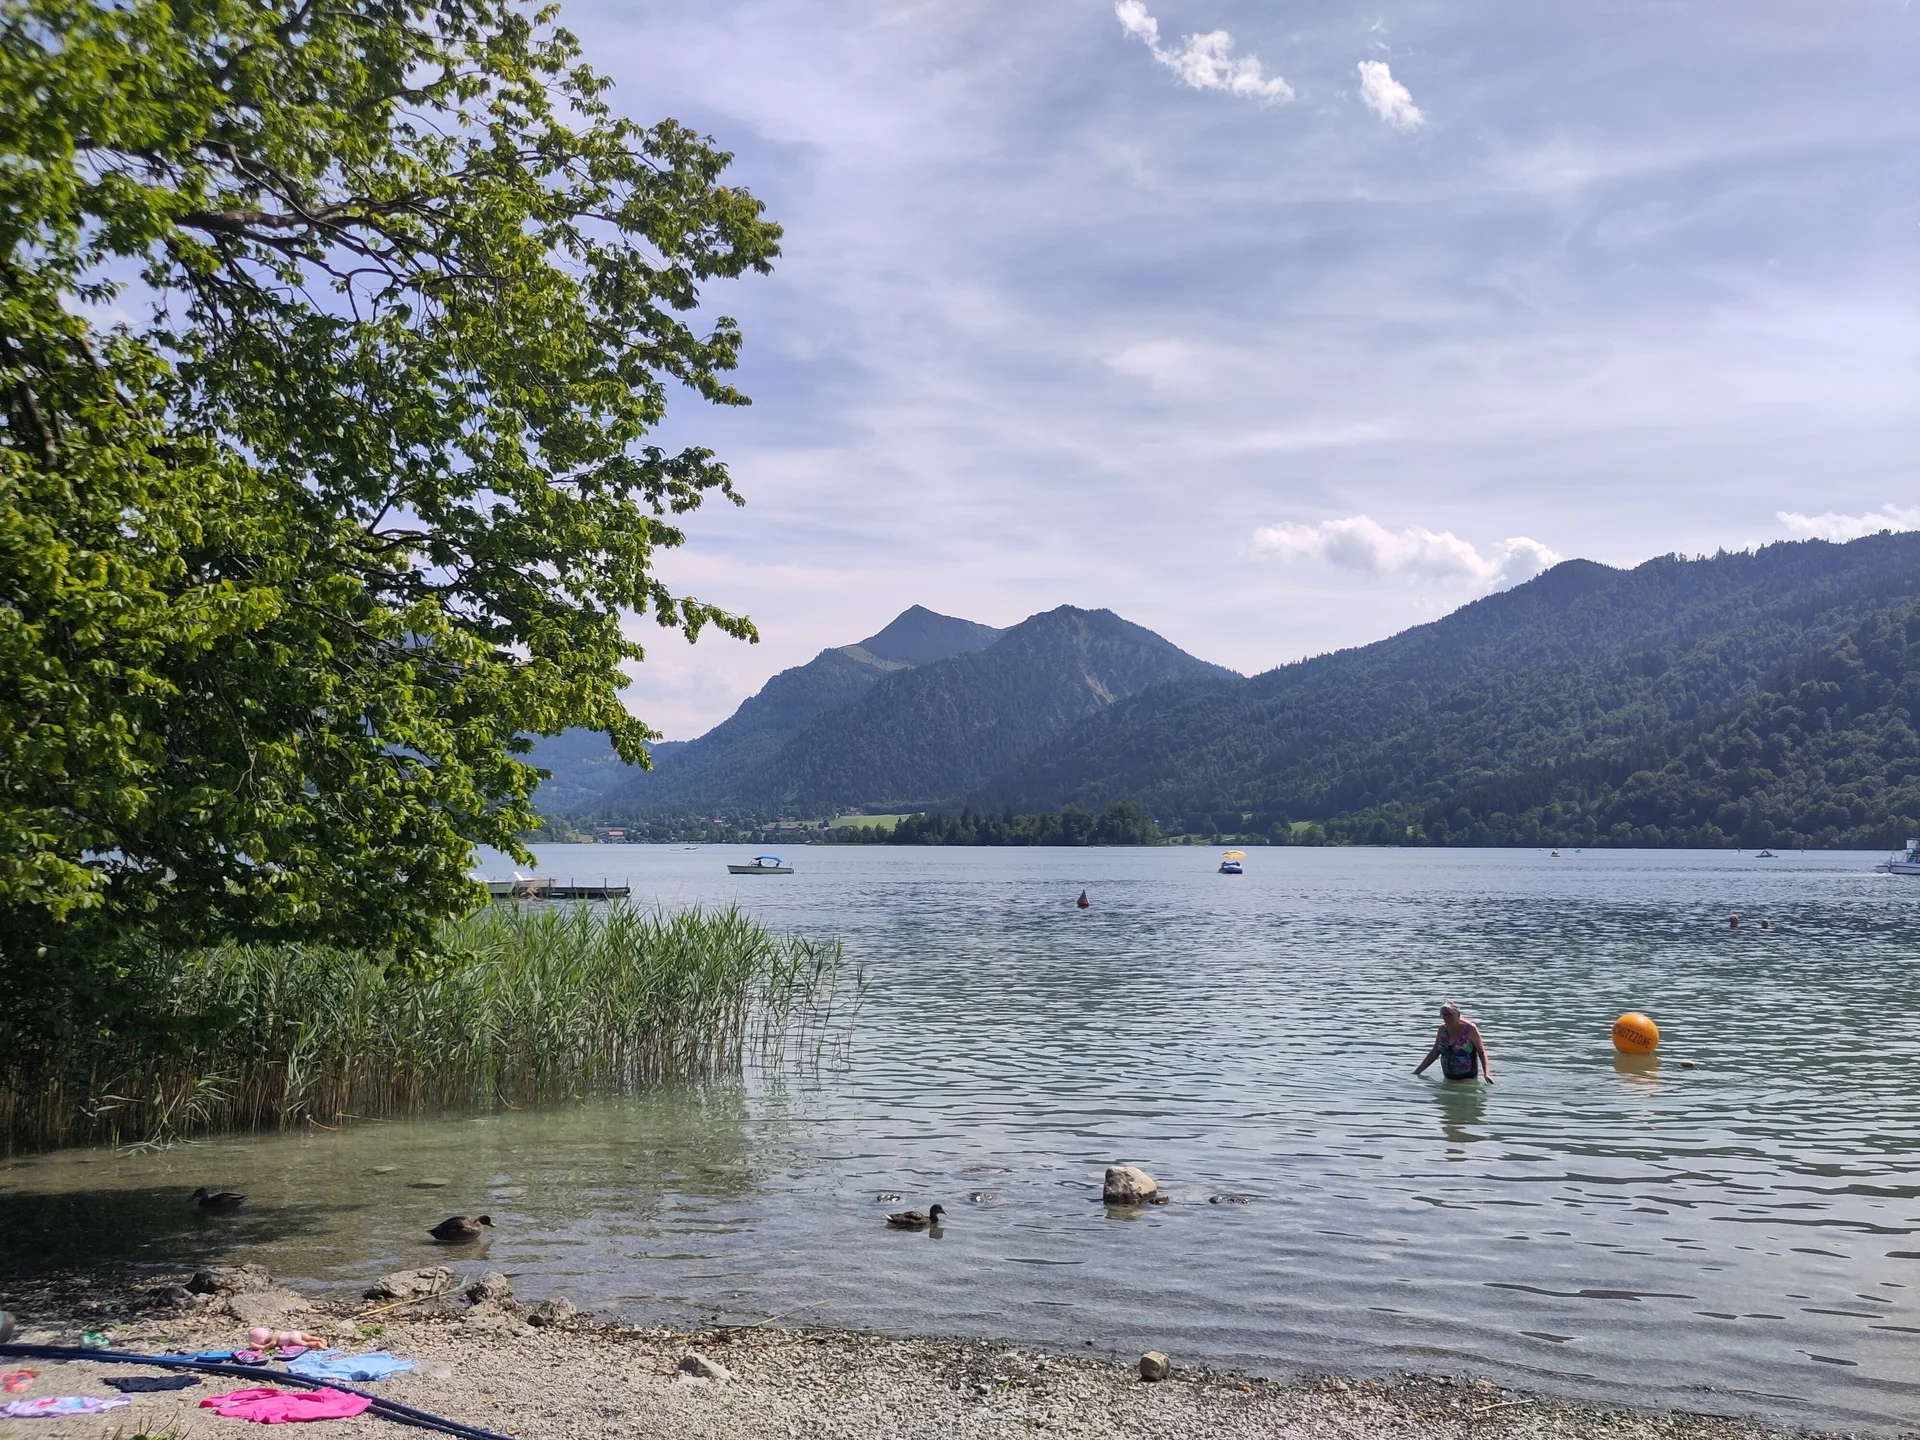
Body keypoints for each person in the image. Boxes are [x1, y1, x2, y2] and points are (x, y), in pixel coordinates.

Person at [1415, 1001, 1491, 1083]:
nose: (1446, 1017)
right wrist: (1417, 1072)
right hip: (1447, 1079)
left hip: (1467, 1080)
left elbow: (1481, 1053)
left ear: (1458, 1014)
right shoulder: (1442, 1029)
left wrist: (1486, 1073)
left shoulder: (1470, 1029)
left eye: (1449, 1015)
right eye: (1443, 1015)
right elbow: (1435, 1052)